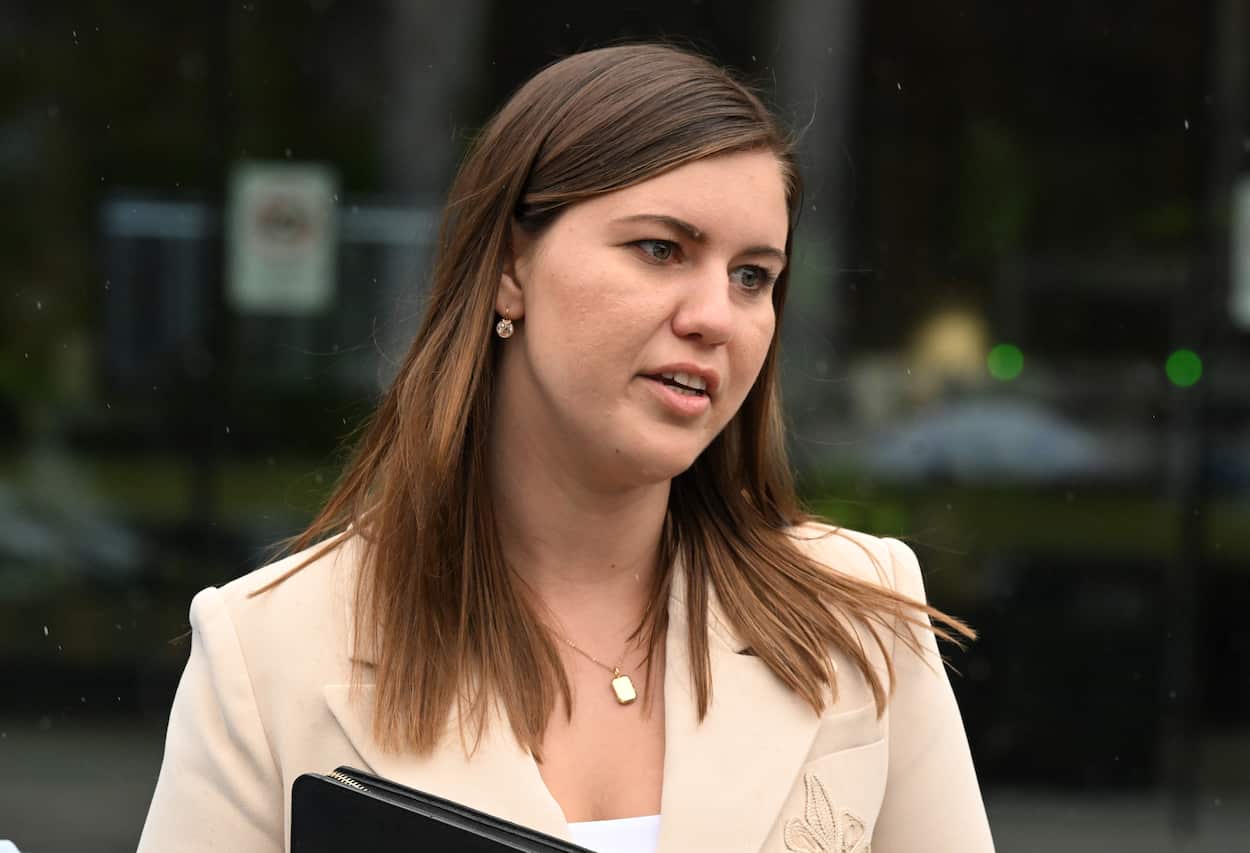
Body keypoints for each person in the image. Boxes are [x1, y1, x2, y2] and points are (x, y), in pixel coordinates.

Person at [138, 43, 994, 853]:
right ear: (511, 268)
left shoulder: (862, 615)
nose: (715, 316)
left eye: (752, 276)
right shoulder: (270, 648)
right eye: (660, 249)